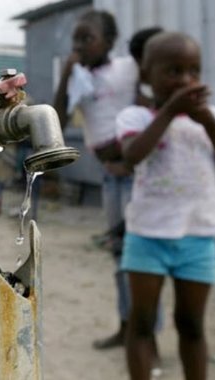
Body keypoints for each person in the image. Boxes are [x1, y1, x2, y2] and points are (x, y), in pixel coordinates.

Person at [117, 31, 215, 380]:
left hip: (199, 234)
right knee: (142, 323)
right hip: (147, 234)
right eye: (173, 71)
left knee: (191, 326)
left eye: (194, 71)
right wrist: (172, 111)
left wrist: (204, 120)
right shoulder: (135, 117)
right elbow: (132, 156)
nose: (186, 80)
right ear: (147, 76)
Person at [53, 10, 153, 351]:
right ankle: (127, 326)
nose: (79, 46)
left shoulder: (129, 68)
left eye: (87, 39)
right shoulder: (80, 77)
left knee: (143, 254)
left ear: (109, 42)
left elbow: (151, 103)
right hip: (111, 177)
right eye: (75, 39)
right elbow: (58, 117)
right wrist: (66, 76)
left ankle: (146, 333)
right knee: (120, 253)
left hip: (138, 174)